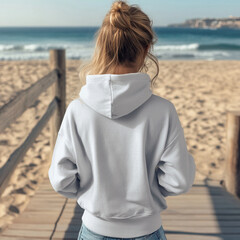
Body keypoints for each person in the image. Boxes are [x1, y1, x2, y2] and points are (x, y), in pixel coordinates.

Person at [48, 1, 196, 240]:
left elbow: (61, 180)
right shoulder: (163, 111)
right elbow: (179, 181)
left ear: (102, 46)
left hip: (94, 230)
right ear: (147, 48)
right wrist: (147, 191)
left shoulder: (77, 110)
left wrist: (93, 192)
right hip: (147, 230)